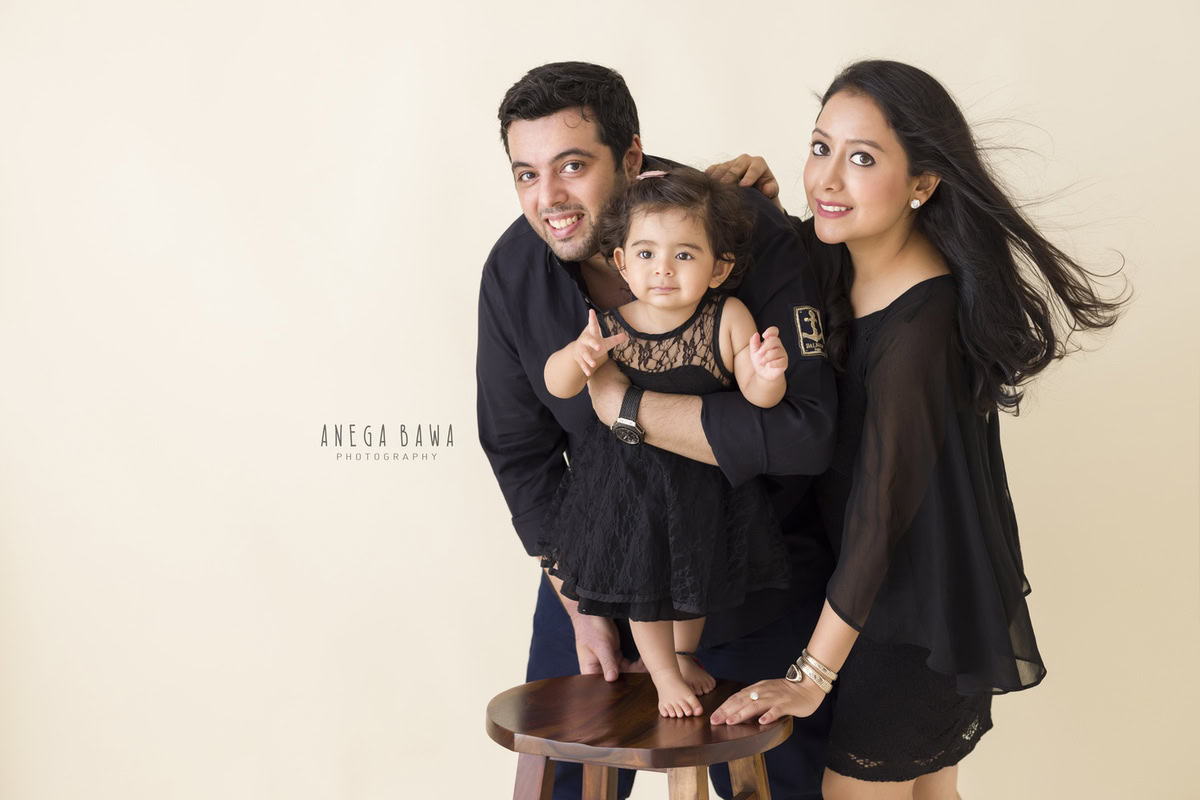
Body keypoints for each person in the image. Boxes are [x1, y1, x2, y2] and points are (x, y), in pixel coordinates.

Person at [709, 60, 1125, 799]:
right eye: (819, 147)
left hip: (915, 618)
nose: (827, 178)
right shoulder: (838, 261)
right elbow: (776, 247)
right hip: (913, 605)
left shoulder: (922, 325)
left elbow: (880, 515)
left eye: (862, 159)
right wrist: (754, 206)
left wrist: (809, 678)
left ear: (923, 184)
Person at [477, 62, 838, 799]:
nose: (549, 200)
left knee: (781, 786)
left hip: (754, 563)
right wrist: (579, 600)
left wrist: (632, 412)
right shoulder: (515, 271)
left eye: (573, 166)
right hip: (597, 560)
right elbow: (519, 452)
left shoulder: (745, 227)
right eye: (525, 174)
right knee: (565, 782)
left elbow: (806, 432)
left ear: (633, 158)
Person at [541, 166, 793, 718]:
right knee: (647, 588)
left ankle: (682, 656)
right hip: (629, 488)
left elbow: (756, 397)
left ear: (718, 266)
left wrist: (767, 373)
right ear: (622, 262)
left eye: (684, 255)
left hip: (701, 481)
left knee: (694, 581)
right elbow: (555, 384)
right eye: (647, 254)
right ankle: (662, 676)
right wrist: (575, 359)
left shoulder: (727, 316)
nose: (664, 270)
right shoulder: (611, 323)